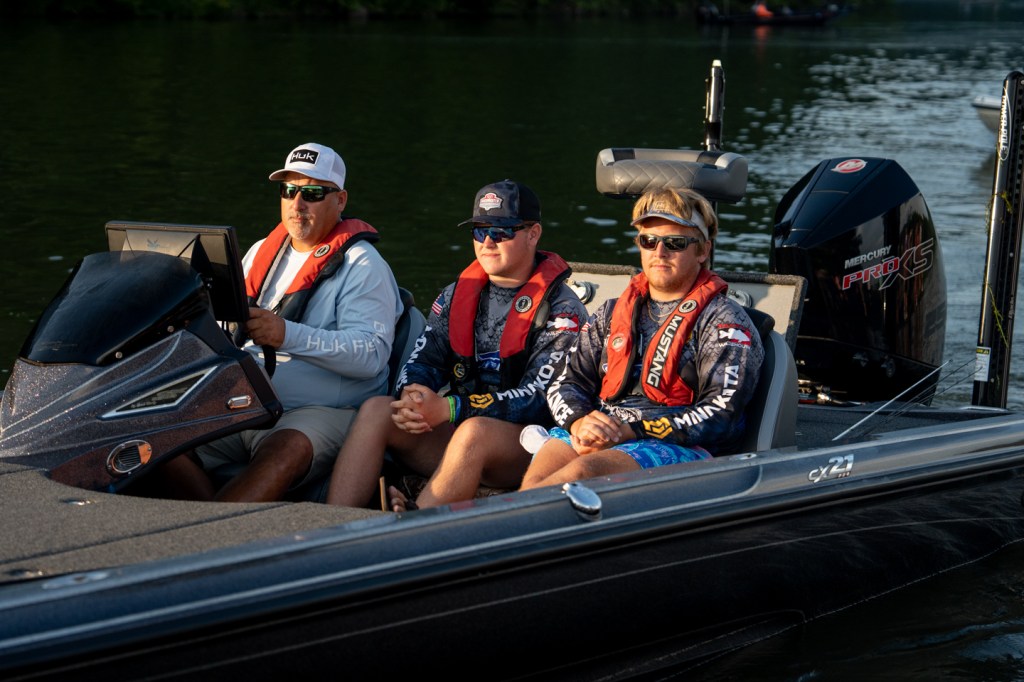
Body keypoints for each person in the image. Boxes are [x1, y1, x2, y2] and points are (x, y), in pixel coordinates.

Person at [325, 180, 587, 511]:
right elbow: (425, 360)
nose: (488, 242)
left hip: (529, 446)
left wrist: (451, 408)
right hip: (461, 429)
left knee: (474, 432)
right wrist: (414, 396)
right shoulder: (454, 295)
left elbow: (540, 398)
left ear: (533, 234)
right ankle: (333, 524)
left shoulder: (563, 311)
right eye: (479, 231)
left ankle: (415, 524)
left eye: (501, 231)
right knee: (378, 410)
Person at [161, 142, 402, 502]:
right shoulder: (262, 251)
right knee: (158, 439)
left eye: (312, 193)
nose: (297, 203)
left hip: (322, 411)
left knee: (285, 450)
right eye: (288, 190)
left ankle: (214, 527)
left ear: (340, 200)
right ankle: (207, 516)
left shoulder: (364, 266)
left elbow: (371, 356)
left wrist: (286, 334)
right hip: (247, 401)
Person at [519, 187, 764, 491]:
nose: (660, 252)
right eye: (649, 241)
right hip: (604, 429)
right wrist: (580, 421)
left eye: (675, 243)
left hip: (681, 447)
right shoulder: (610, 312)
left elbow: (721, 414)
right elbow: (566, 383)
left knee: (582, 472)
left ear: (703, 251)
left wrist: (631, 431)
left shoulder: (725, 321)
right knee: (536, 479)